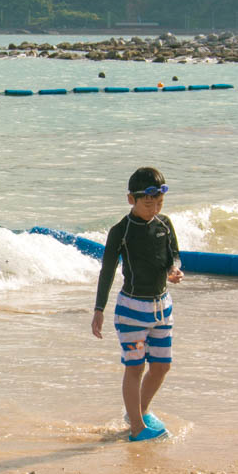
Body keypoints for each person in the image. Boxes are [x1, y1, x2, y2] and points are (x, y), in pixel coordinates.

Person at [91, 167, 184, 442]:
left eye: (159, 203)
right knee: (135, 367)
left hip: (162, 307)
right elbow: (107, 271)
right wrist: (99, 310)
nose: (154, 208)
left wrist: (173, 271)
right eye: (148, 203)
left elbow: (173, 257)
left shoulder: (164, 224)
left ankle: (139, 412)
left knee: (162, 366)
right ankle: (137, 428)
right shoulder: (121, 231)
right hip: (132, 310)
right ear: (131, 199)